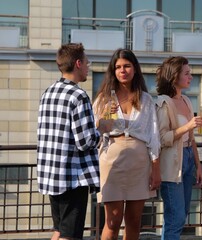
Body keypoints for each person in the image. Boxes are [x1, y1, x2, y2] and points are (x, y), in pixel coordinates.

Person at [37, 43, 108, 240]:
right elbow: (85, 141)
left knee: (59, 230)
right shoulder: (78, 95)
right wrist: (101, 129)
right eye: (86, 62)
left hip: (52, 173)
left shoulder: (48, 92)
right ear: (78, 63)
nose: (88, 67)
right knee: (70, 234)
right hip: (72, 177)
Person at [93, 49, 161, 240]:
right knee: (112, 221)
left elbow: (153, 134)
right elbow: (95, 131)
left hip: (139, 162)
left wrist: (155, 168)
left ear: (135, 69)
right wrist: (106, 114)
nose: (123, 70)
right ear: (113, 71)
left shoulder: (146, 99)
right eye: (118, 67)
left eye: (127, 66)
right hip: (111, 160)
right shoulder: (103, 99)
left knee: (134, 220)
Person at [155, 56, 202, 240]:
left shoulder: (186, 100)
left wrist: (198, 166)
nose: (190, 77)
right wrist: (187, 126)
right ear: (175, 76)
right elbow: (162, 138)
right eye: (187, 73)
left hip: (188, 159)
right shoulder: (163, 103)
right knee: (175, 218)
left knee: (181, 215)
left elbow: (191, 139)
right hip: (171, 164)